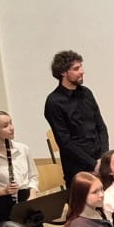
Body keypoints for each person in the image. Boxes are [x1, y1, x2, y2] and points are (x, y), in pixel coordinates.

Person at [44, 48, 108, 182]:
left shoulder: (87, 93)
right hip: (77, 166)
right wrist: (93, 164)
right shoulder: (54, 102)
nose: (82, 71)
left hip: (99, 159)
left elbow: (101, 127)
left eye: (81, 67)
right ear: (63, 72)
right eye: (76, 68)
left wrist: (103, 158)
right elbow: (65, 142)